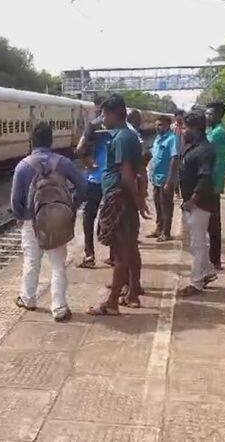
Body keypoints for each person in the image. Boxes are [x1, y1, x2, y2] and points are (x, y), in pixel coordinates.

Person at [11, 121, 87, 322]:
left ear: (31, 141)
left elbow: (15, 201)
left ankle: (28, 298)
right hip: (57, 219)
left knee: (31, 260)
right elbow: (83, 186)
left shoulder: (23, 166)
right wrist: (71, 207)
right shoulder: (63, 163)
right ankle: (59, 308)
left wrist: (22, 217)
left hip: (30, 221)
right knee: (58, 264)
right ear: (51, 140)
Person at [89, 94, 150, 315]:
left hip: (120, 200)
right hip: (125, 199)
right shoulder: (126, 136)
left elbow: (126, 175)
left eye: (104, 113)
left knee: (122, 253)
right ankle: (132, 291)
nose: (102, 117)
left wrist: (138, 202)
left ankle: (112, 302)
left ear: (115, 113)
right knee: (131, 248)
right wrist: (140, 199)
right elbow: (140, 170)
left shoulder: (123, 137)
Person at [177, 111, 217, 297]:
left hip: (199, 204)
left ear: (195, 128)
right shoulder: (193, 147)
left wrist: (192, 201)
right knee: (195, 242)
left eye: (185, 127)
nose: (182, 131)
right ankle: (208, 272)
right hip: (192, 202)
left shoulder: (204, 150)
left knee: (198, 243)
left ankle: (196, 282)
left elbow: (205, 179)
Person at [76, 95, 113, 269]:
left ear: (98, 107)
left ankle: (89, 255)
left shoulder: (94, 125)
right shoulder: (123, 125)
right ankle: (114, 254)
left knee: (88, 215)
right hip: (114, 179)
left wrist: (88, 165)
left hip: (96, 178)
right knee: (114, 216)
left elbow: (80, 149)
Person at [147, 115, 180, 242]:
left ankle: (166, 232)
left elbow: (174, 159)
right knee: (157, 204)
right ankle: (159, 228)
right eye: (156, 125)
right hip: (156, 178)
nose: (157, 127)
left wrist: (169, 180)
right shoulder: (157, 139)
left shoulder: (172, 139)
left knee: (166, 205)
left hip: (166, 178)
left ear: (167, 125)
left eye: (160, 125)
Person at [205, 102, 225, 271]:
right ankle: (213, 258)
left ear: (219, 115)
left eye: (210, 114)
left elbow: (217, 161)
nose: (207, 117)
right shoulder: (213, 131)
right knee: (211, 223)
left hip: (213, 183)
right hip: (212, 182)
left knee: (213, 224)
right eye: (206, 114)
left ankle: (215, 260)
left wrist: (217, 185)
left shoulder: (218, 133)